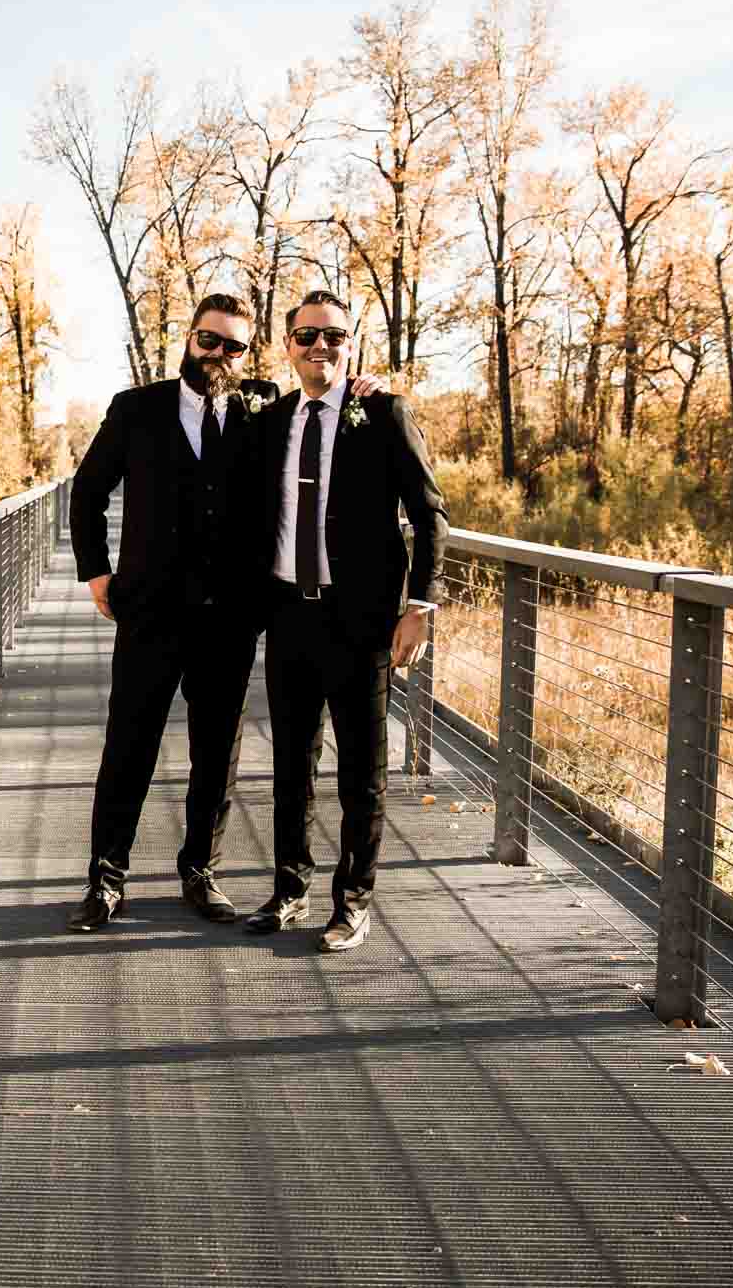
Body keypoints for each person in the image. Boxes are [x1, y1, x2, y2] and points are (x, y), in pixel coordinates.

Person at [65, 293, 279, 932]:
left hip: (230, 619)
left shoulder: (262, 408)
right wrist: (97, 572)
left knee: (217, 753)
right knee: (128, 745)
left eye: (234, 346)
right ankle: (106, 881)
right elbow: (88, 490)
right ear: (188, 338)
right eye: (210, 341)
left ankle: (200, 872)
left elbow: (326, 408)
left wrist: (365, 384)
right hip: (151, 613)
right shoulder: (137, 409)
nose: (220, 355)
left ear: (247, 353)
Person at [242, 290, 448, 953]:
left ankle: (352, 902)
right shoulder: (273, 420)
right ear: (288, 346)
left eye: (332, 335)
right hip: (288, 616)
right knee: (290, 766)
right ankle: (289, 887)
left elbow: (429, 514)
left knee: (362, 769)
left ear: (350, 342)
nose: (318, 347)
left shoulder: (383, 413)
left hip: (358, 622)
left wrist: (419, 606)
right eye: (305, 336)